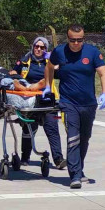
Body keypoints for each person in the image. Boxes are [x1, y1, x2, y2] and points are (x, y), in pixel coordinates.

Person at [43, 24, 105, 189]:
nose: (76, 43)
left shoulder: (92, 52)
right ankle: (74, 176)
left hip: (88, 103)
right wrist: (47, 86)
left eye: (79, 40)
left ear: (83, 39)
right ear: (68, 38)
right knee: (73, 137)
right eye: (73, 40)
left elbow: (103, 73)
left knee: (85, 138)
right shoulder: (59, 52)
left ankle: (79, 170)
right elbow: (49, 67)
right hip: (68, 102)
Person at [10, 37, 66, 169]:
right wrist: (22, 82)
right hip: (29, 100)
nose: (39, 49)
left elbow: (62, 73)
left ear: (46, 49)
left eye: (42, 47)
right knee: (29, 128)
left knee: (52, 128)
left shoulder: (51, 62)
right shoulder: (24, 61)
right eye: (37, 46)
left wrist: (59, 64)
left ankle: (58, 159)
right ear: (33, 46)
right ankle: (25, 157)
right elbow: (12, 73)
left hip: (47, 100)